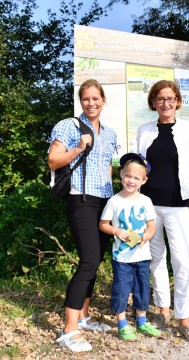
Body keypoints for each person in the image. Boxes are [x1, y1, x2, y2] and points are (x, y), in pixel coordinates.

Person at [136, 80, 189, 342]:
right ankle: (163, 309)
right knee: (156, 259)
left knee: (182, 262)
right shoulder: (143, 130)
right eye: (160, 98)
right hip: (148, 205)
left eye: (170, 98)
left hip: (178, 204)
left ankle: (184, 316)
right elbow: (138, 165)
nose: (166, 103)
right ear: (153, 102)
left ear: (177, 101)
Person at [48, 79, 117, 352]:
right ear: (81, 101)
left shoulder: (110, 133)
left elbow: (107, 169)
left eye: (95, 98)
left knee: (96, 260)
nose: (91, 103)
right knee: (88, 261)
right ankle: (69, 330)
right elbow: (53, 160)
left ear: (103, 100)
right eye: (86, 99)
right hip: (81, 200)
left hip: (105, 202)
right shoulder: (69, 126)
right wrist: (77, 147)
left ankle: (84, 317)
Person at [99, 153, 161, 341]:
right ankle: (122, 324)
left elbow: (152, 226)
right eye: (128, 176)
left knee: (143, 289)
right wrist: (116, 231)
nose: (131, 181)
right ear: (121, 175)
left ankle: (141, 321)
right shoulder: (114, 201)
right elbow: (103, 224)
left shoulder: (146, 201)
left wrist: (146, 236)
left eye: (136, 178)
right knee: (121, 289)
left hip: (142, 256)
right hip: (122, 259)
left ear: (144, 180)